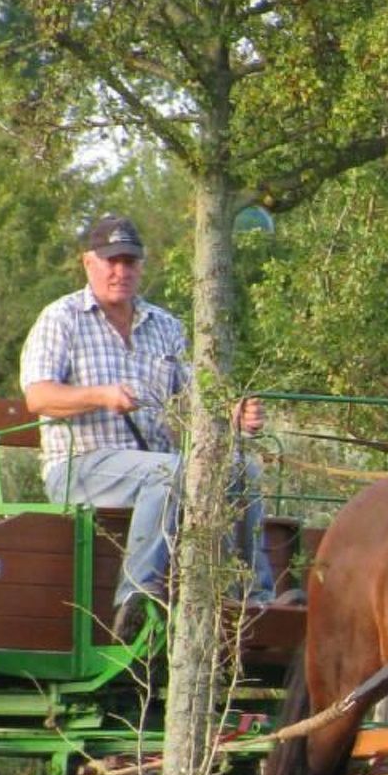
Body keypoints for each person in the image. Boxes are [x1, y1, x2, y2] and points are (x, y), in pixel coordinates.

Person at [19, 214, 278, 639]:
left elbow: (195, 401)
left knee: (240, 469)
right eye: (111, 261)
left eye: (130, 262)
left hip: (156, 467)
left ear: (142, 265)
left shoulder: (165, 326)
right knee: (169, 471)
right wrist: (100, 395)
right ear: (89, 262)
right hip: (80, 466)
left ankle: (254, 596)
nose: (120, 271)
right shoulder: (62, 318)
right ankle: (135, 597)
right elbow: (39, 396)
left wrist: (234, 414)